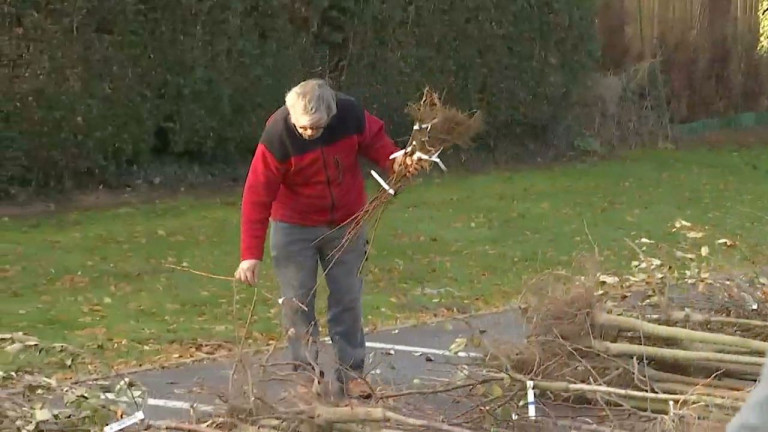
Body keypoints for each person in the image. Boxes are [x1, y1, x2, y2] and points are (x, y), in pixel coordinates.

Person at [233, 78, 415, 398]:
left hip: (346, 223)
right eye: (302, 128)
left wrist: (398, 162)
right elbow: (257, 195)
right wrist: (250, 254)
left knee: (347, 298)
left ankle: (351, 374)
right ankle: (306, 377)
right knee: (297, 303)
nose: (307, 134)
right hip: (294, 227)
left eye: (315, 129)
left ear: (330, 116)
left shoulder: (349, 114)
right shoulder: (278, 133)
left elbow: (379, 146)